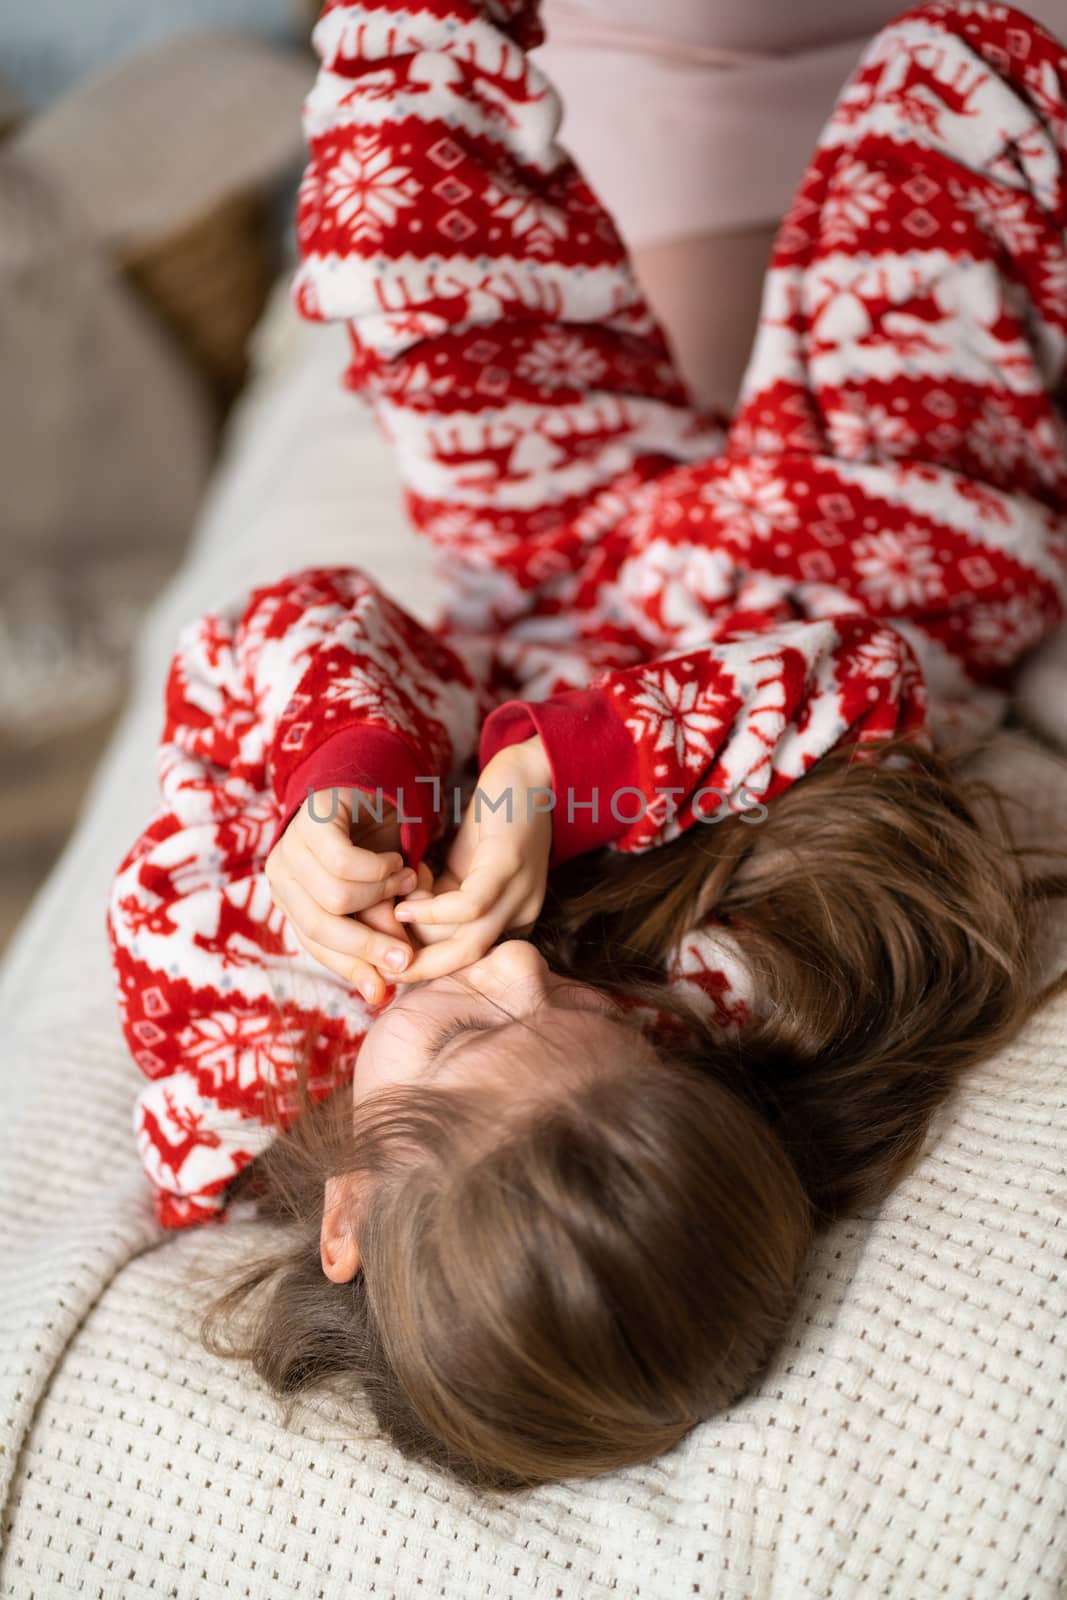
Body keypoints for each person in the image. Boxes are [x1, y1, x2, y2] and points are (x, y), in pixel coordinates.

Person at [107, 0, 1067, 1490]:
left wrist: (339, 782)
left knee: (388, 163)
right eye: (585, 1018)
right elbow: (866, 682)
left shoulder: (232, 1050)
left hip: (551, 575)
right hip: (834, 564)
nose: (514, 966)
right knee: (962, 79)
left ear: (349, 1213)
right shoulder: (738, 1013)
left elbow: (288, 623)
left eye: (467, 1036)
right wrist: (566, 777)